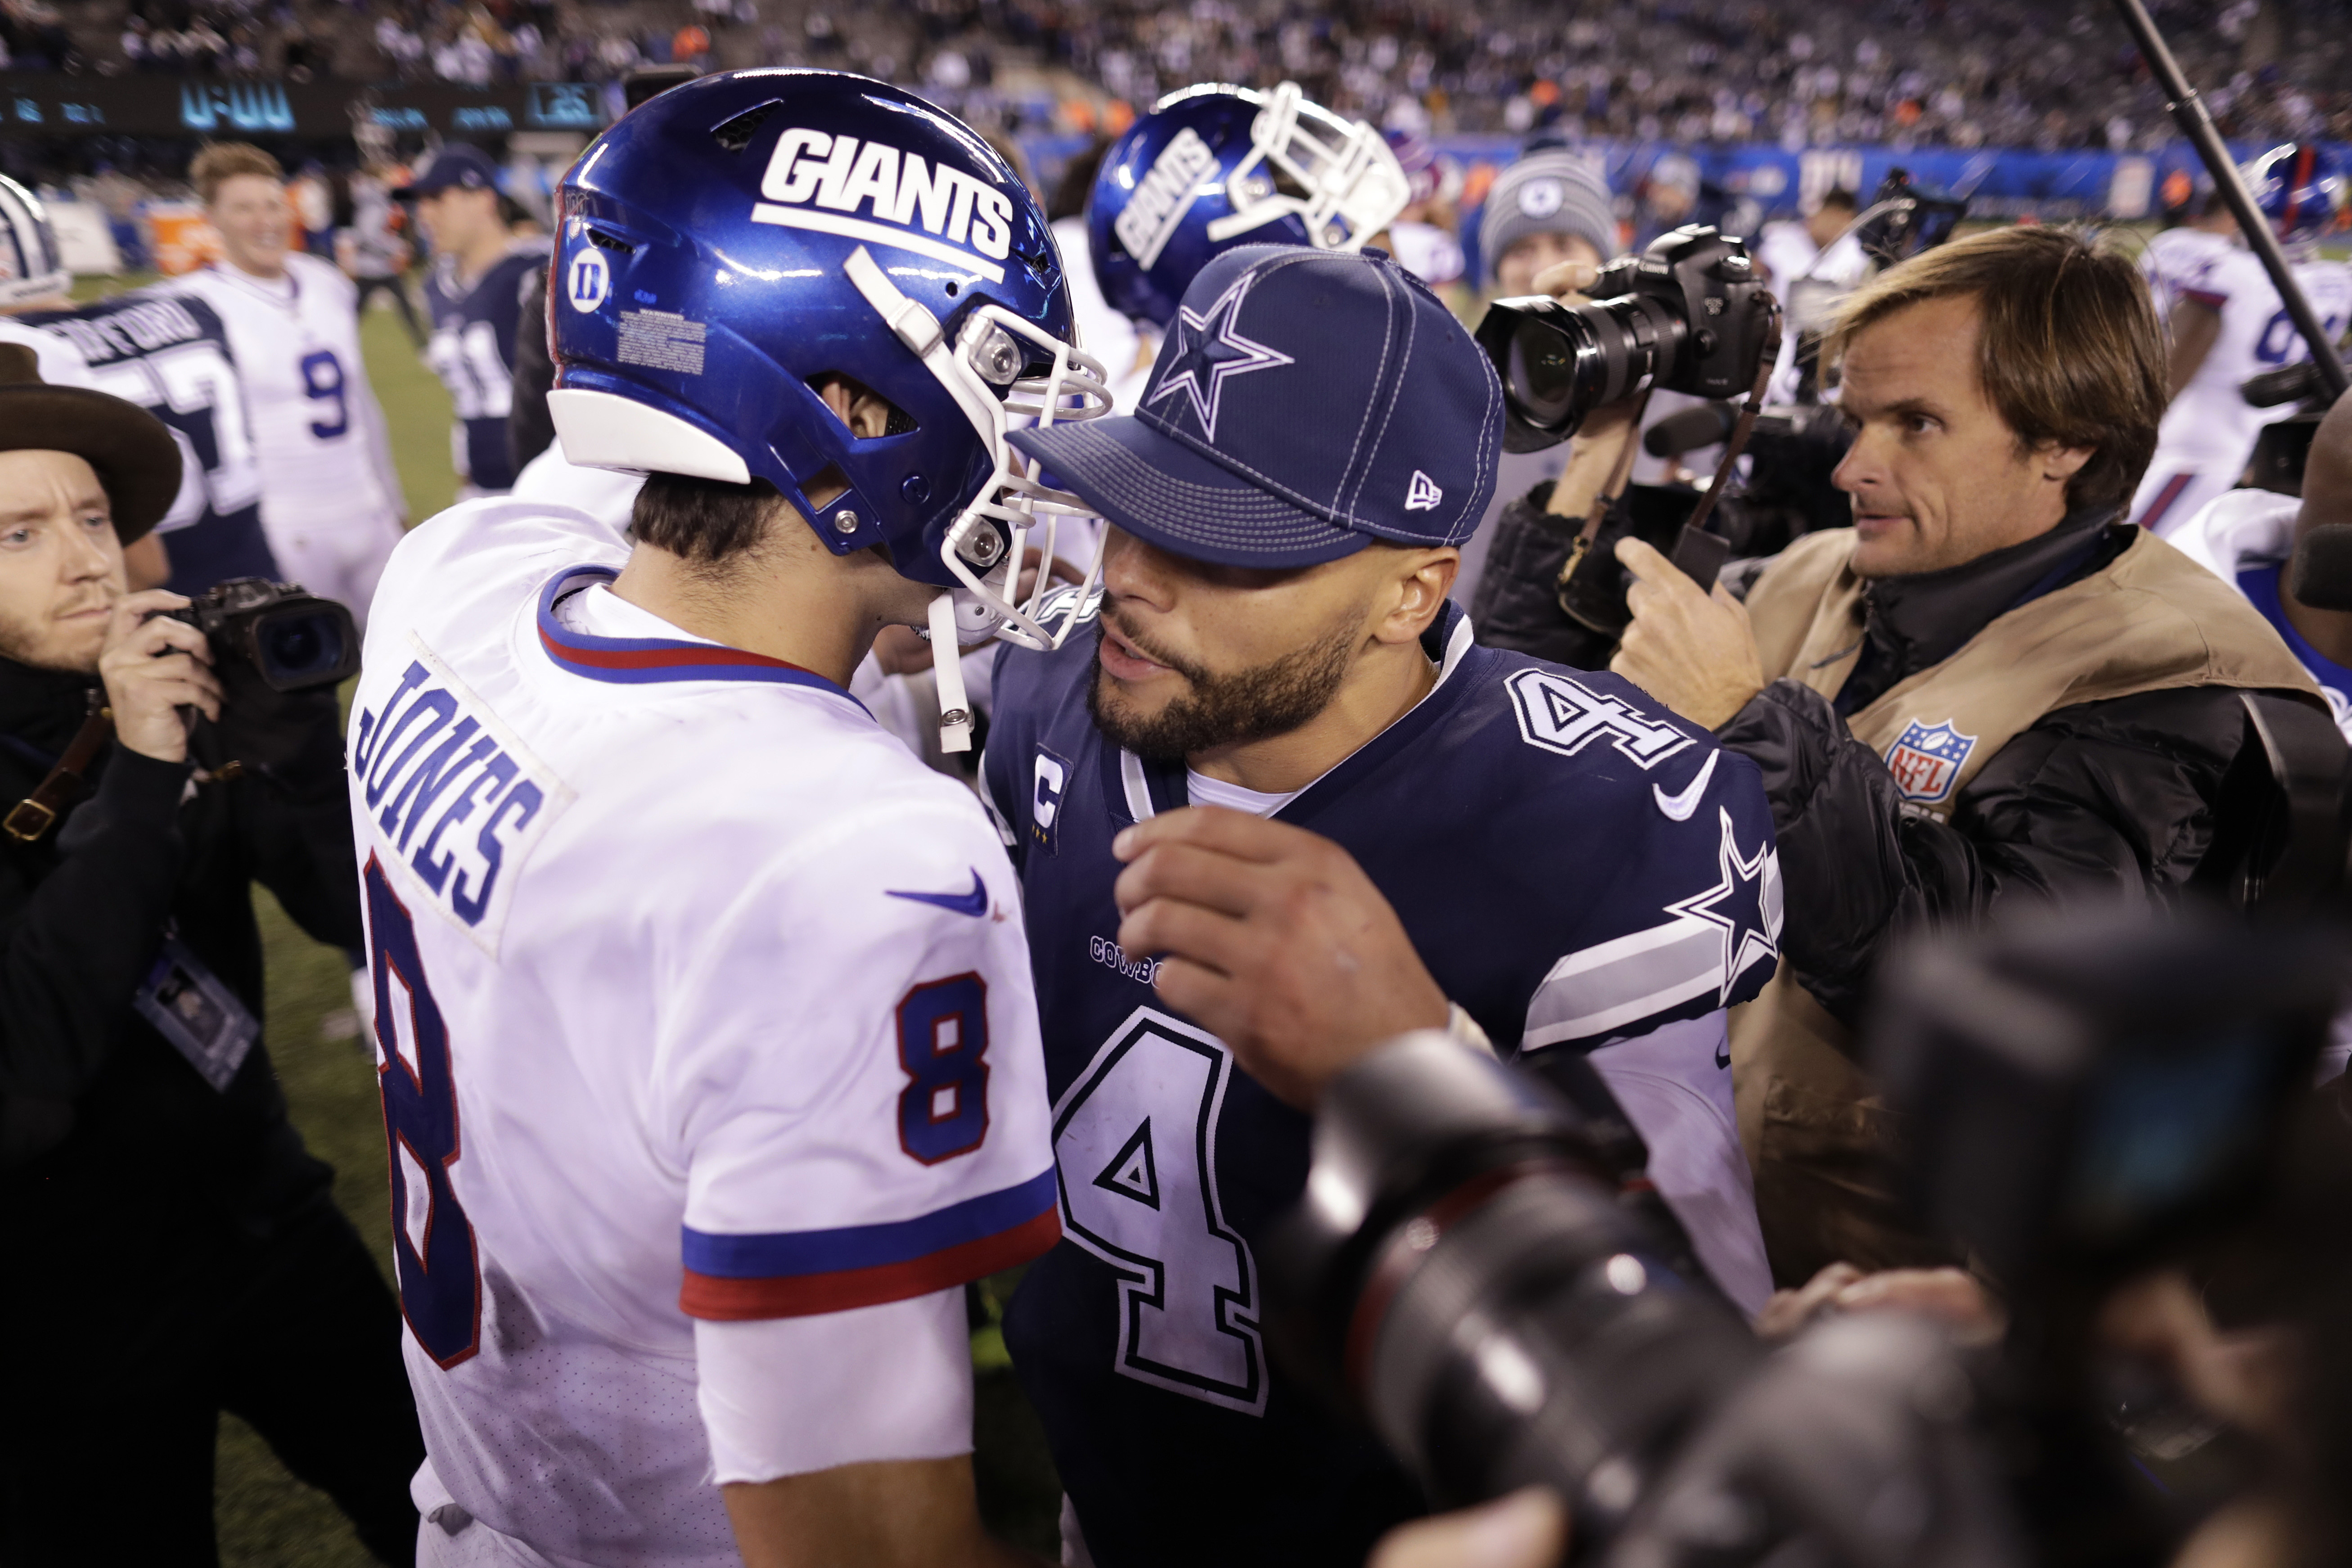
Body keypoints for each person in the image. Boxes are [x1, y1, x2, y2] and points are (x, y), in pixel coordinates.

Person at [355, 70, 1110, 1567]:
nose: (1021, 439)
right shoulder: (850, 853)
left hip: (478, 1499)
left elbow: (636, 532)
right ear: (849, 401)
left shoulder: (453, 578)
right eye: (998, 379)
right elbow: (864, 1542)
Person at [982, 243, 1780, 1568]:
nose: (1128, 574)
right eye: (1130, 507)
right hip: (1105, 1506)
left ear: (1410, 590)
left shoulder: (1593, 822)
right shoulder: (1056, 694)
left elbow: (1688, 1378)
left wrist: (1423, 1063)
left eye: (1219, 545)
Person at [1588, 224, 2331, 1285]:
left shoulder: (2168, 674)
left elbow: (1984, 999)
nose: (1852, 466)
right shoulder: (1822, 570)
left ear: (2064, 437)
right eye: (1855, 421)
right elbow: (1562, 741)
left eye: (1915, 424)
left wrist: (1751, 723)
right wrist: (1588, 467)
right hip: (1685, 1222)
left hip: (1891, 1323)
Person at [0, 345, 423, 1564]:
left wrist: (292, 759)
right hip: (54, 1307)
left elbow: (355, 922)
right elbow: (28, 1074)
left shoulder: (141, 687)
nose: (88, 557)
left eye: (92, 517)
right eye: (23, 534)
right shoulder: (131, 719)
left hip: (264, 1216)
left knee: (447, 1510)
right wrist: (141, 772)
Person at [170, 143, 407, 626]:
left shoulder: (325, 282)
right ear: (211, 217)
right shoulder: (195, 304)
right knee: (305, 685)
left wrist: (393, 498)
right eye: (244, 208)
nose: (265, 220)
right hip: (287, 525)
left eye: (272, 204)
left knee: (415, 654)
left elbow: (361, 401)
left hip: (367, 508)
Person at [2129, 144, 2352, 535]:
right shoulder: (2338, 284)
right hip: (2270, 467)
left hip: (2186, 453)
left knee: (2112, 568)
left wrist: (2121, 437)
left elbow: (2171, 366)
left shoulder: (2207, 261)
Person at [1457, 147, 1620, 608]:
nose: (1543, 269)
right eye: (1522, 249)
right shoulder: (1452, 384)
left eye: (1565, 245)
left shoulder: (1657, 384)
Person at [399, 144, 551, 497]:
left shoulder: (537, 271)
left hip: (550, 483)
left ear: (483, 199)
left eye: (437, 199)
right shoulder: (435, 285)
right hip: (483, 485)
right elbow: (463, 397)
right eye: (421, 202)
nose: (424, 215)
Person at [338, 162, 427, 348]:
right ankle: (338, 343)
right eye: (388, 175)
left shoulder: (375, 199)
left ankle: (424, 346)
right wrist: (396, 248)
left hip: (381, 266)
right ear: (379, 178)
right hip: (372, 268)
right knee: (356, 313)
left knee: (405, 308)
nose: (392, 179)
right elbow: (369, 236)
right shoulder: (373, 202)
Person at [2137, 188, 2239, 321]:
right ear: (2229, 215)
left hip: (2136, 326)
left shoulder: (2166, 240)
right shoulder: (2227, 255)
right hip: (2176, 335)